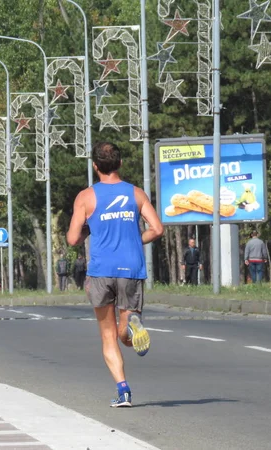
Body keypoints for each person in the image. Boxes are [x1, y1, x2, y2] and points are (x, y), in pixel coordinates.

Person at [66, 141, 164, 408]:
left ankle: (123, 392)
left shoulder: (86, 197)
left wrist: (88, 229)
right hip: (131, 268)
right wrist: (134, 239)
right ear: (119, 164)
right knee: (126, 331)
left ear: (95, 166)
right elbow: (157, 229)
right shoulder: (136, 193)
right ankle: (132, 323)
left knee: (108, 334)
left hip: (101, 271)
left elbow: (73, 238)